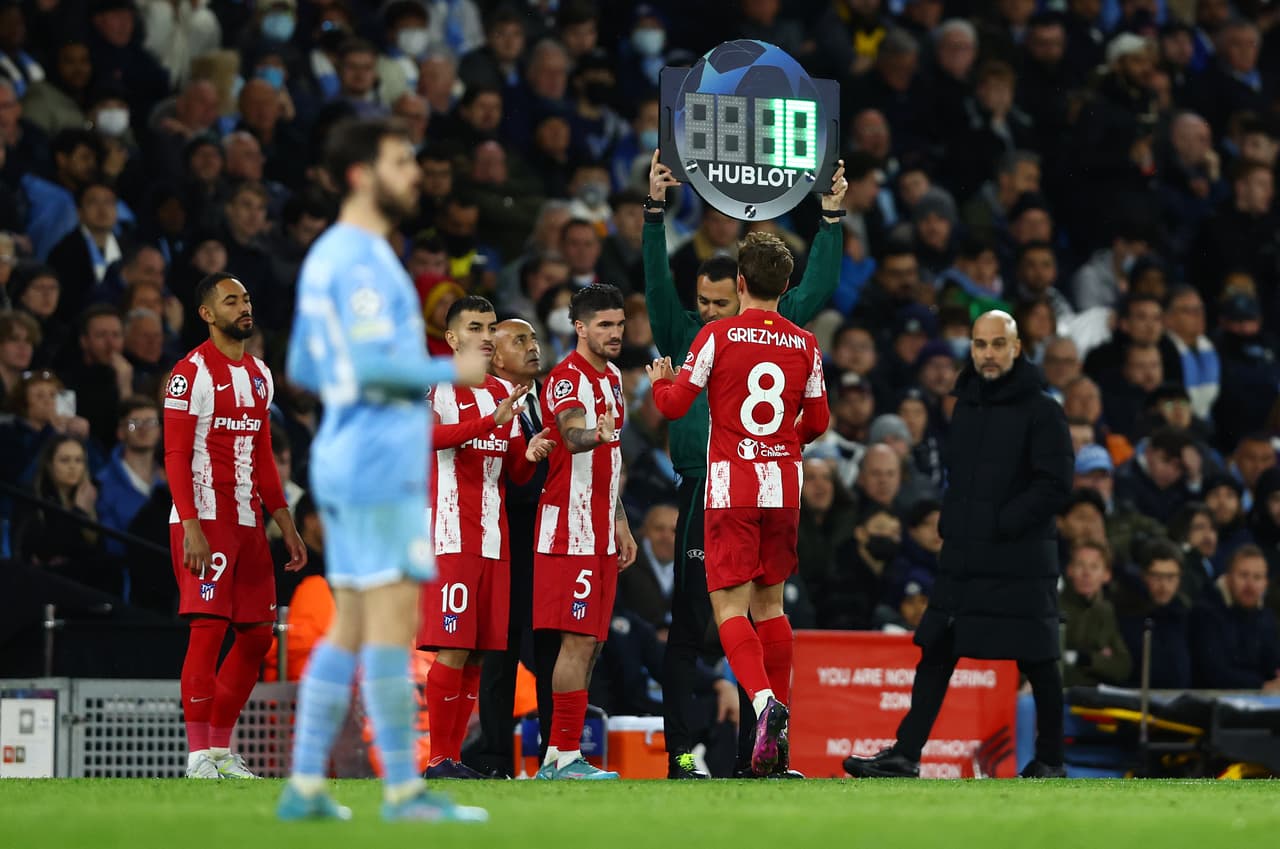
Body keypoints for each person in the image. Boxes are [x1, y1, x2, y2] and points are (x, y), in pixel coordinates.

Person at [278, 117, 488, 822]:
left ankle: (306, 784)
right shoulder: (363, 259)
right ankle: (403, 790)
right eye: (401, 162)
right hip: (375, 462)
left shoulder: (330, 257)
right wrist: (445, 368)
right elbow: (366, 364)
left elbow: (306, 364)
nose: (415, 174)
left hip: (350, 454)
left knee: (355, 626)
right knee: (392, 627)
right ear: (360, 175)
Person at [643, 149, 846, 779]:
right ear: (784, 286)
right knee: (773, 609)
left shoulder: (714, 337)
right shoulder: (806, 341)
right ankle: (774, 741)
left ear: (739, 287)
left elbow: (676, 405)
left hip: (726, 487)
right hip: (782, 484)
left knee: (725, 613)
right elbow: (818, 423)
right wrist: (786, 440)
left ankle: (762, 705)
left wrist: (658, 383)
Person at [843, 310, 1073, 780]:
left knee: (1039, 657)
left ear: (1016, 349)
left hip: (1020, 558)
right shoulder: (965, 405)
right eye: (979, 344)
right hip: (966, 555)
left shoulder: (1043, 409)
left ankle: (1050, 760)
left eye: (997, 344)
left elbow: (1055, 485)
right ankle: (906, 754)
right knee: (937, 649)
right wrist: (955, 521)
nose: (987, 354)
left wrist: (1002, 523)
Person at [163, 271, 307, 781]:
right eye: (231, 301)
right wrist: (193, 525)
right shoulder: (190, 374)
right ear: (207, 314)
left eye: (246, 298)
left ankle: (221, 750)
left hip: (249, 524)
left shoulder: (261, 374)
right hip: (205, 518)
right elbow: (176, 455)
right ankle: (198, 754)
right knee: (208, 630)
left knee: (256, 636)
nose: (243, 307)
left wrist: (284, 521)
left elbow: (264, 454)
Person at [417, 296, 553, 779]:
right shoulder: (435, 386)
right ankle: (436, 758)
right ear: (452, 338)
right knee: (453, 649)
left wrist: (531, 450)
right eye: (475, 326)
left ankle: (451, 759)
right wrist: (488, 423)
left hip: (494, 540)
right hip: (453, 535)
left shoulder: (501, 391)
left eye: (490, 327)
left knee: (478, 651)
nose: (484, 335)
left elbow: (514, 472)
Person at [531, 283, 636, 781]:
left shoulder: (613, 376)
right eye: (604, 325)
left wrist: (621, 521)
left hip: (599, 528)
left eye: (619, 324)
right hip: (568, 530)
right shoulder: (565, 379)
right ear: (580, 328)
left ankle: (560, 754)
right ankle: (563, 756)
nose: (615, 334)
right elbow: (572, 436)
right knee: (575, 643)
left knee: (591, 644)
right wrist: (597, 433)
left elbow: (612, 461)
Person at [466, 317, 561, 777]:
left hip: (554, 534)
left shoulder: (553, 399)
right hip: (507, 533)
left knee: (551, 645)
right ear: (495, 356)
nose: (532, 347)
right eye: (519, 340)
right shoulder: (484, 402)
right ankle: (494, 757)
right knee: (501, 647)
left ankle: (555, 755)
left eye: (534, 338)